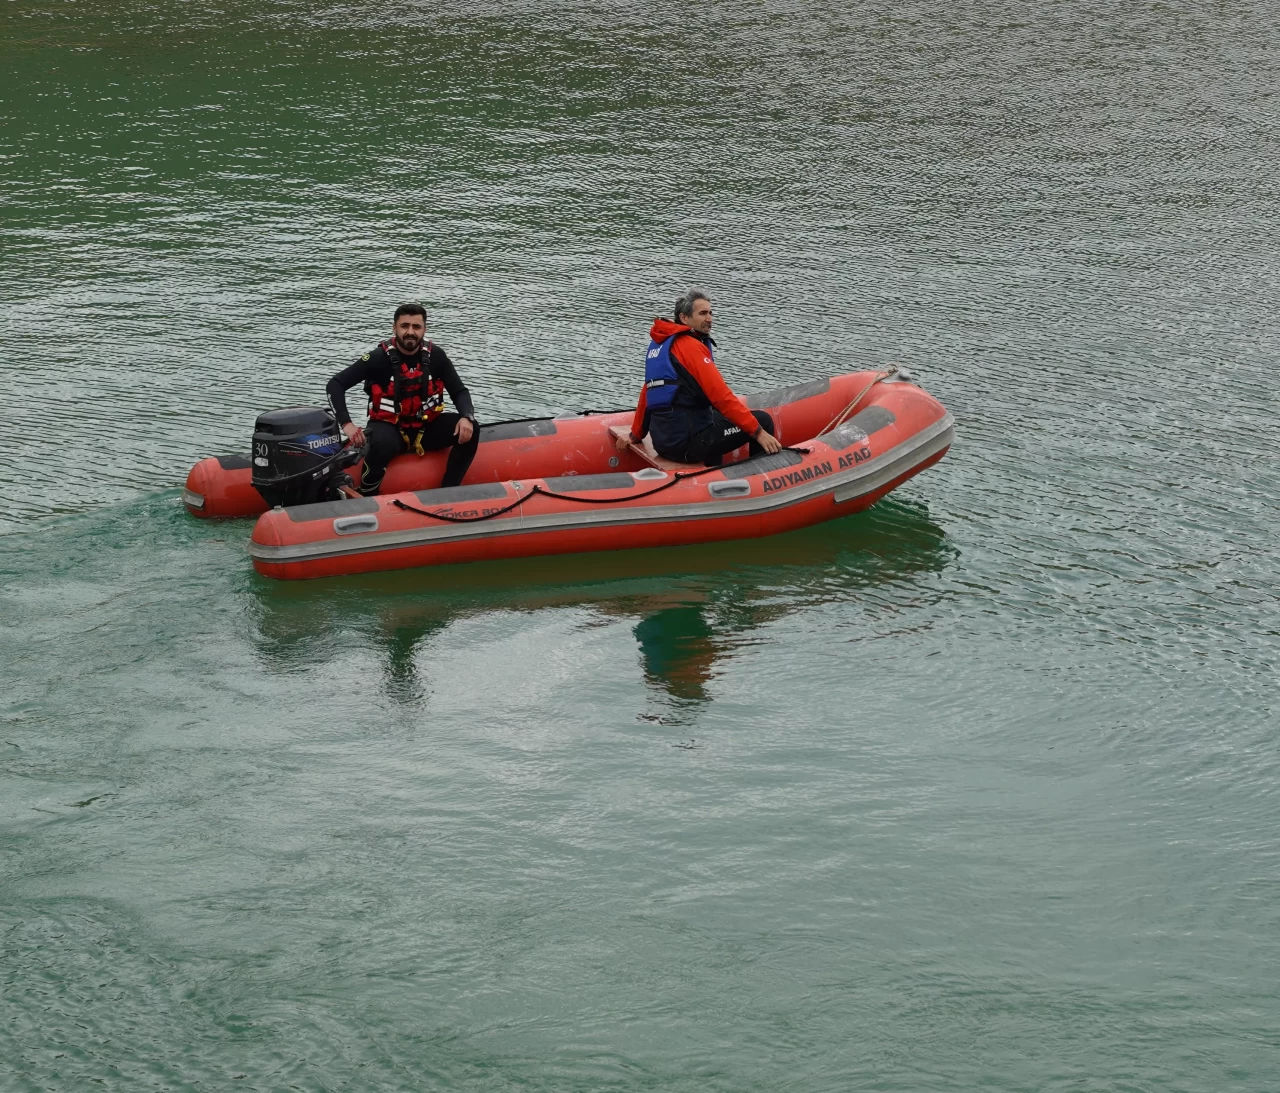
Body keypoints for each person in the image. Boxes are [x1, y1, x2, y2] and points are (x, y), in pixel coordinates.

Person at [326, 303, 479, 496]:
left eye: (416, 327)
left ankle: (449, 490)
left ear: (424, 329)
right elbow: (335, 384)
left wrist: (467, 416)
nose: (410, 332)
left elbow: (459, 391)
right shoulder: (377, 358)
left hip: (427, 427)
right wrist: (347, 424)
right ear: (394, 328)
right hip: (389, 427)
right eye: (404, 326)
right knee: (383, 444)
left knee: (472, 430)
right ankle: (368, 494)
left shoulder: (436, 356)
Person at [617, 290, 783, 466]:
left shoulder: (662, 345)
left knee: (714, 416)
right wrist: (758, 432)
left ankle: (713, 470)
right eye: (702, 313)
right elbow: (722, 397)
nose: (709, 318)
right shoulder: (690, 347)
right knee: (762, 421)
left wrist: (636, 434)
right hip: (688, 445)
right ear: (684, 318)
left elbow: (648, 393)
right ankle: (760, 480)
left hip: (665, 443)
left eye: (711, 313)